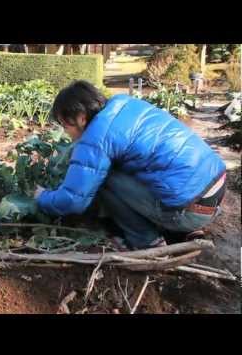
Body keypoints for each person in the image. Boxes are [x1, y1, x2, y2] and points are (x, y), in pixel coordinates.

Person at [34, 80, 227, 250]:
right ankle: (179, 231)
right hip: (214, 191)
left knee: (105, 178)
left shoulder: (96, 137)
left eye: (65, 125)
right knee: (124, 167)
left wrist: (42, 197)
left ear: (81, 117)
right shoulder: (124, 104)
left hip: (190, 211)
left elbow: (73, 200)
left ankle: (146, 240)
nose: (66, 132)